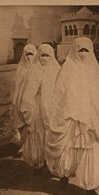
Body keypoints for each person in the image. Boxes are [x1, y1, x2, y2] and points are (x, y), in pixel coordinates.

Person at [46, 37, 99, 195]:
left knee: (91, 150)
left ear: (91, 52)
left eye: (87, 50)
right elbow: (59, 95)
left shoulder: (94, 71)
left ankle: (90, 188)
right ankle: (64, 176)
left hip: (90, 118)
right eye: (80, 50)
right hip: (70, 116)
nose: (83, 53)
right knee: (68, 147)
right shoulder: (67, 70)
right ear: (75, 51)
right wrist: (66, 111)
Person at [18, 43, 60, 171]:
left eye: (47, 56)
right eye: (42, 56)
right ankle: (39, 162)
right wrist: (27, 110)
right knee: (39, 134)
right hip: (37, 108)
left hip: (53, 107)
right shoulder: (34, 71)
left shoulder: (57, 70)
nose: (45, 58)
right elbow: (28, 93)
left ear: (52, 56)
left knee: (51, 135)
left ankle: (52, 163)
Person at [11, 44, 38, 146]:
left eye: (31, 54)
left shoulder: (37, 69)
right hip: (19, 101)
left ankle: (30, 147)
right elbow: (14, 87)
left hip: (32, 102)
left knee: (32, 126)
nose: (29, 57)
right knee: (21, 124)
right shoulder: (20, 69)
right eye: (27, 54)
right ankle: (22, 145)